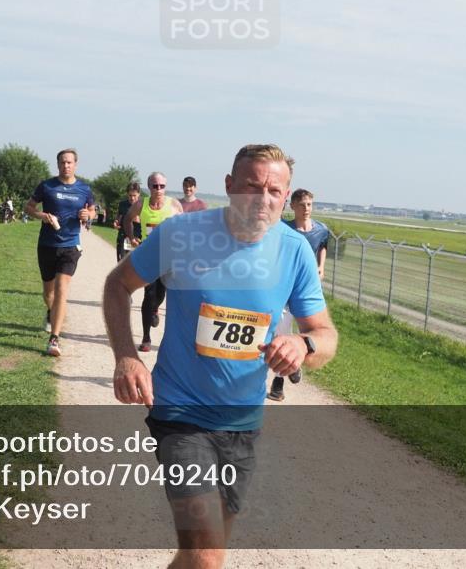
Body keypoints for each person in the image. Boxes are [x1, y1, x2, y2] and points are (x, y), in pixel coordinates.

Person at [104, 144, 337, 569]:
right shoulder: (182, 234)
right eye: (251, 187)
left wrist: (303, 346)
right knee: (207, 556)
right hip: (180, 413)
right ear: (229, 187)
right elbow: (117, 285)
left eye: (274, 191)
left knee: (201, 555)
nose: (263, 199)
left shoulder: (295, 250)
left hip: (242, 422)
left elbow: (325, 334)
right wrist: (127, 356)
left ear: (286, 197)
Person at [24, 148, 95, 357]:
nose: (66, 166)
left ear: (76, 164)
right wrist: (41, 215)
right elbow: (29, 207)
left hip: (70, 246)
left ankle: (54, 339)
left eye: (70, 162)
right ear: (58, 165)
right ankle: (51, 311)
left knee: (62, 289)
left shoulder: (84, 189)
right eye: (63, 162)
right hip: (47, 245)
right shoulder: (47, 186)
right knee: (49, 294)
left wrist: (87, 214)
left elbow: (92, 210)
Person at [268, 188, 331, 402]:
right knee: (283, 332)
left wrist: (321, 267)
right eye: (302, 204)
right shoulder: (283, 229)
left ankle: (299, 355)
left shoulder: (321, 230)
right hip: (284, 288)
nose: (306, 209)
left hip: (306, 288)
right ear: (292, 206)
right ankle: (279, 382)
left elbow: (322, 246)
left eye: (310, 204)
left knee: (309, 329)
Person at [123, 172, 182, 352]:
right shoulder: (142, 204)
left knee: (160, 294)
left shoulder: (174, 205)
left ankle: (155, 309)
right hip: (148, 255)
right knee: (149, 295)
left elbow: (185, 225)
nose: (158, 189)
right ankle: (146, 337)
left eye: (162, 186)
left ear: (166, 187)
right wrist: (132, 237)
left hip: (168, 258)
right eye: (155, 186)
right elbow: (127, 219)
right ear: (149, 188)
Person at [114, 182, 142, 262]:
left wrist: (138, 220)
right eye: (130, 195)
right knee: (121, 264)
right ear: (127, 194)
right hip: (123, 238)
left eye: (134, 195)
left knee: (137, 266)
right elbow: (118, 218)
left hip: (137, 240)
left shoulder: (143, 206)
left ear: (139, 194)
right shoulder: (122, 204)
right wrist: (116, 223)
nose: (132, 198)